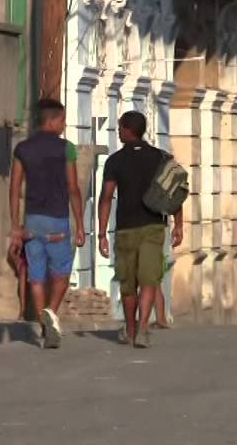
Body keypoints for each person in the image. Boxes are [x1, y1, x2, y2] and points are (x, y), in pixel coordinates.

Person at [98, 112, 183, 348]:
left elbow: (106, 197)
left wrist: (102, 233)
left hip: (126, 229)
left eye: (119, 128)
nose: (119, 132)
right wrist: (179, 225)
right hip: (154, 226)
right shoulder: (160, 157)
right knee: (148, 279)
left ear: (127, 130)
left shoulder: (114, 161)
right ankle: (143, 328)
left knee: (128, 283)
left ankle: (131, 328)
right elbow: (175, 191)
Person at [9, 99, 84, 349]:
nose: (64, 125)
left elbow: (14, 188)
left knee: (36, 277)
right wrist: (81, 224)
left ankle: (44, 325)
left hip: (32, 221)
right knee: (61, 274)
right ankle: (51, 311)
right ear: (51, 120)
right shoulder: (67, 149)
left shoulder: (22, 149)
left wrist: (15, 226)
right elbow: (73, 188)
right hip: (57, 221)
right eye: (62, 120)